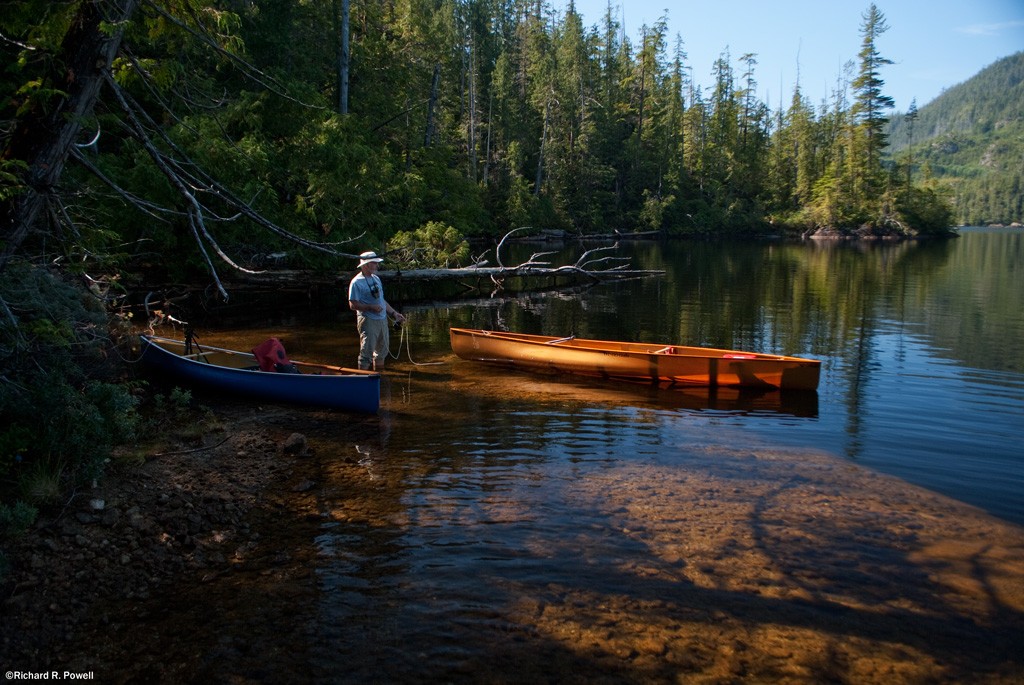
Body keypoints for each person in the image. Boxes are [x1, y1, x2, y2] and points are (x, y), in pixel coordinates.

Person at [348, 251, 406, 371]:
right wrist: (370, 307)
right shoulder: (356, 282)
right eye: (374, 263)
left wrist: (394, 313)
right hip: (368, 320)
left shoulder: (376, 279)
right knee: (366, 354)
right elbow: (352, 305)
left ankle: (380, 377)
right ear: (366, 265)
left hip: (382, 320)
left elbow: (381, 300)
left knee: (382, 352)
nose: (377, 265)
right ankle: (362, 378)